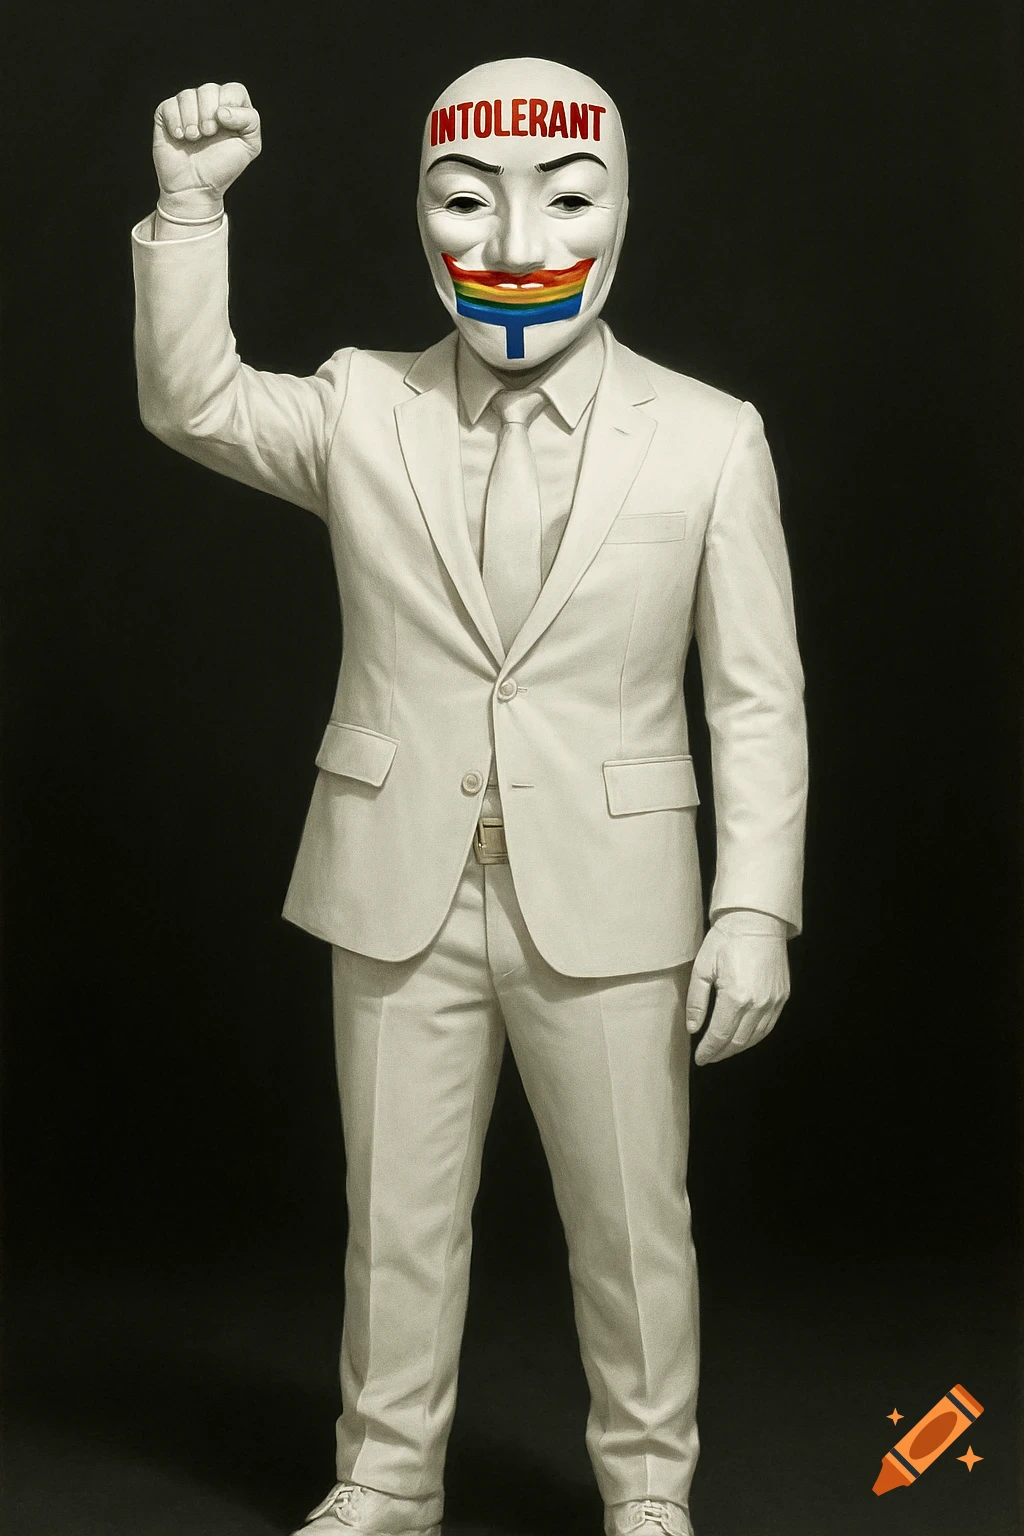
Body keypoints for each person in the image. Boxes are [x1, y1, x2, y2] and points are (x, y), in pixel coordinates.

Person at [132, 55, 807, 1536]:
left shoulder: (709, 437)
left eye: (565, 196)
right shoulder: (360, 406)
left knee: (635, 1230)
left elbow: (754, 694)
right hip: (396, 882)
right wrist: (187, 215)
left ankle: (647, 1494)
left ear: (622, 204)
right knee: (399, 1221)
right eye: (466, 197)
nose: (515, 242)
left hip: (615, 900)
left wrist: (754, 903)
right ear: (419, 215)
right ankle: (383, 1477)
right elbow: (191, 405)